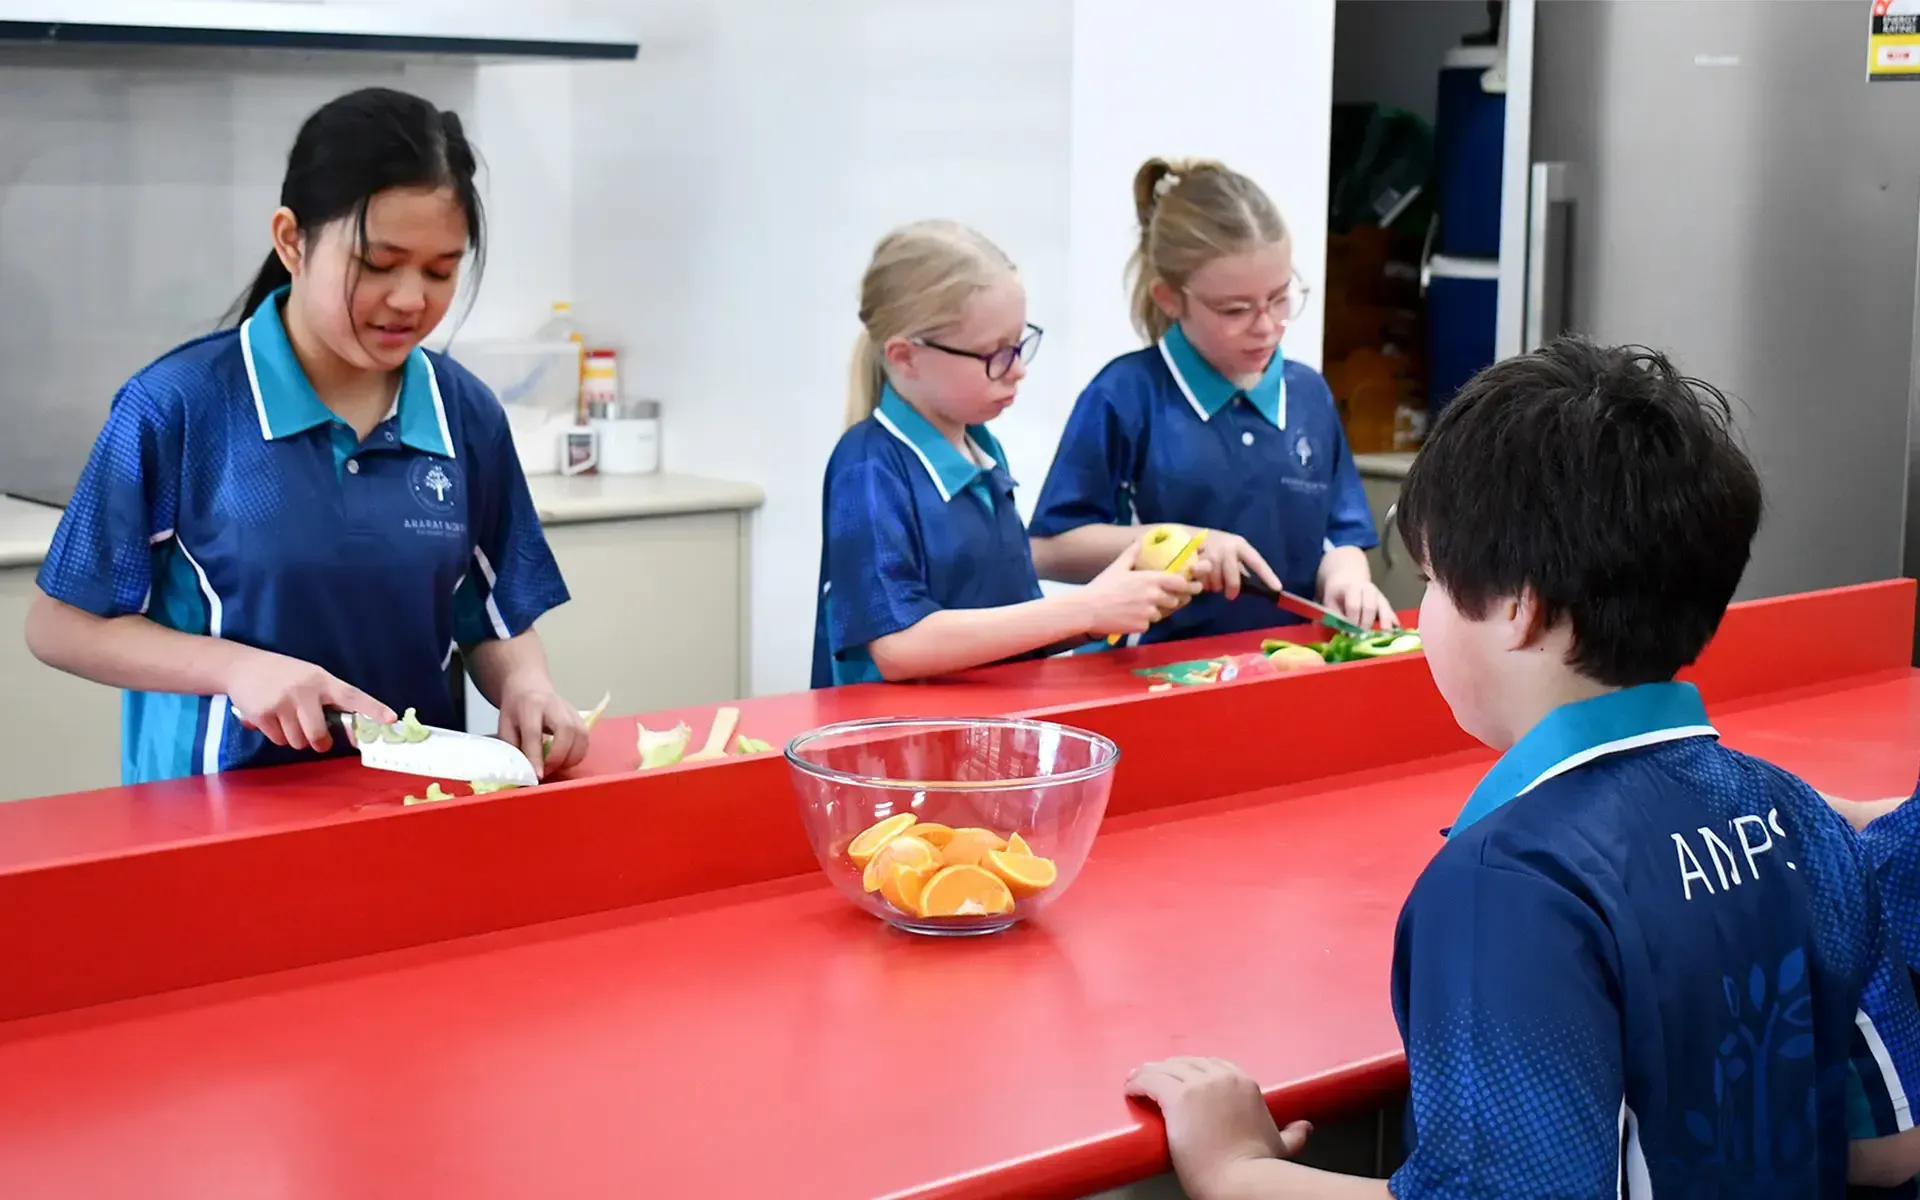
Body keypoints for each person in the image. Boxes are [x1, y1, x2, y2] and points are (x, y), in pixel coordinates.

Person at [1125, 338, 1920, 1196]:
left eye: (1429, 580)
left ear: (1518, 609)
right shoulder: (1802, 817)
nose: (1424, 611)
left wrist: (1233, 1168)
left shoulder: (1508, 886)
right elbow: (1889, 1146)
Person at [26, 87, 588, 784]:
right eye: (377, 264)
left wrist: (527, 686)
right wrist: (236, 668)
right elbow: (58, 625)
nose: (411, 299)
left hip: (409, 802)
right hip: (210, 813)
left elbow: (493, 618)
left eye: (441, 270)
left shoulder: (464, 415)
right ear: (292, 240)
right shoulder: (178, 406)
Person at [811, 220, 1197, 687]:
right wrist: (1085, 608)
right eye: (993, 354)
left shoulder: (984, 453)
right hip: (903, 733)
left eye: (1018, 345)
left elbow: (1010, 631)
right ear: (905, 356)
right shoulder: (868, 467)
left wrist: (1112, 605)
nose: (1017, 370)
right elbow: (899, 646)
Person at [1027, 158, 1392, 644]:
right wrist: (1185, 544)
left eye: (1280, 297)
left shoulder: (1307, 393)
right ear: (1169, 298)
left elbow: (1341, 535)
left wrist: (1348, 580)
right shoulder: (1125, 395)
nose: (1267, 326)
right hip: (1149, 671)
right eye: (1235, 310)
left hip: (1285, 664)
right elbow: (1047, 550)